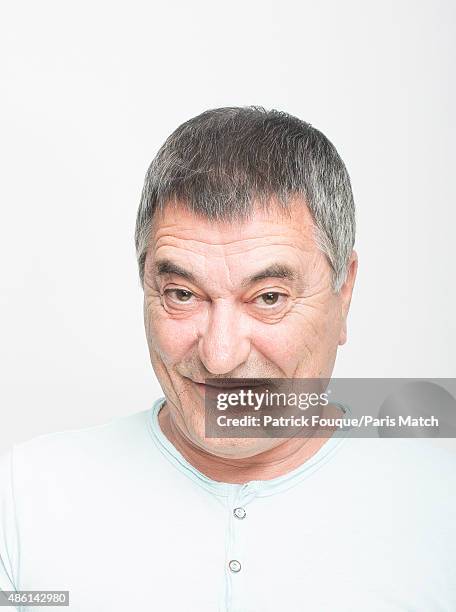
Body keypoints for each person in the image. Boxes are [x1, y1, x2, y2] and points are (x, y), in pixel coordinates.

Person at [0, 107, 455, 611]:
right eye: (182, 294)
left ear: (343, 291)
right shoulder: (23, 499)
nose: (220, 357)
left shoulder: (441, 508)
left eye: (268, 297)